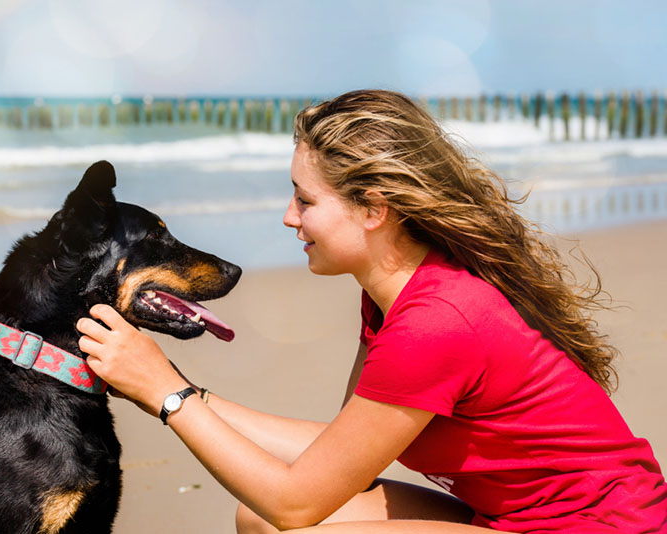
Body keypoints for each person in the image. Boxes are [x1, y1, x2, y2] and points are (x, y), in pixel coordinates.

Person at [76, 89, 667, 533]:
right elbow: (341, 456)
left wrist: (166, 394)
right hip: (519, 519)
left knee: (285, 521)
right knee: (256, 518)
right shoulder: (391, 297)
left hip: (599, 528)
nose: (289, 217)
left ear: (373, 209)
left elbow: (296, 500)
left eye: (305, 200)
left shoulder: (435, 323)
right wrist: (175, 389)